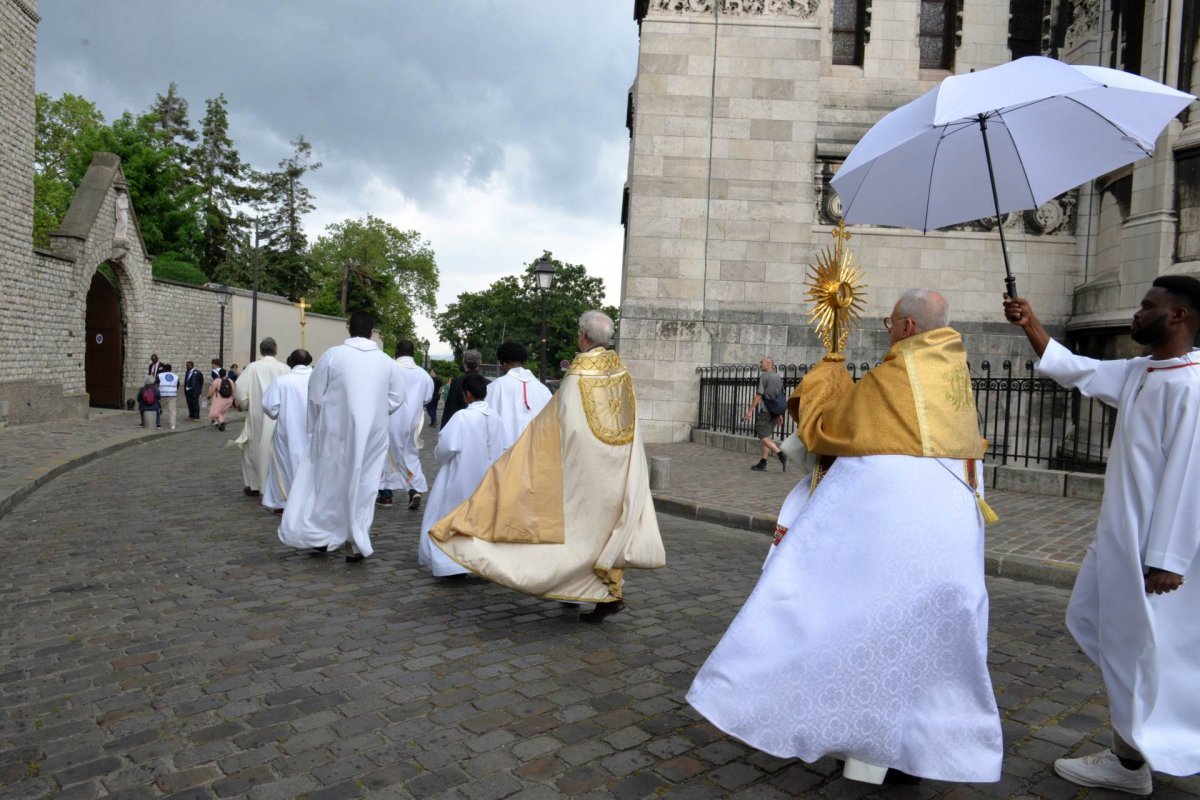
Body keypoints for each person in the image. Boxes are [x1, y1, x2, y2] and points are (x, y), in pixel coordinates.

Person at [687, 289, 1001, 785]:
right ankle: (905, 753)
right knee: (918, 645)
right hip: (948, 540)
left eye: (890, 321)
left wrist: (826, 377)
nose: (886, 328)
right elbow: (879, 441)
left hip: (893, 540)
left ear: (909, 328)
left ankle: (858, 739)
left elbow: (829, 430)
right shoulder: (952, 374)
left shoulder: (901, 372)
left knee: (851, 625)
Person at [1004, 278, 1200, 794]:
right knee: (1115, 643)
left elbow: (1189, 479)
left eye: (1147, 307)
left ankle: (1133, 762)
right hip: (1122, 543)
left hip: (1158, 561)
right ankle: (1135, 757)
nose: (1137, 314)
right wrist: (1030, 324)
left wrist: (1168, 559)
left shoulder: (1191, 387)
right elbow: (1080, 370)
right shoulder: (1143, 371)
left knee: (1154, 657)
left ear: (1178, 316)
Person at [430, 310, 666, 623]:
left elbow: (554, 427)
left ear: (583, 336)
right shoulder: (622, 377)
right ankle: (606, 594)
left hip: (582, 473)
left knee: (575, 535)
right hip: (619, 471)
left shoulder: (578, 378)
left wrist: (519, 459)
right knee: (604, 532)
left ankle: (581, 588)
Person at [279, 312, 405, 563]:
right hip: (372, 433)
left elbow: (315, 395)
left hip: (335, 431)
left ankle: (323, 535)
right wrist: (375, 413)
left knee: (329, 481)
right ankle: (355, 541)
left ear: (348, 329)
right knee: (365, 483)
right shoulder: (386, 362)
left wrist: (318, 424)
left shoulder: (332, 355)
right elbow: (397, 397)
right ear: (372, 332)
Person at [419, 373, 504, 579]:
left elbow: (446, 448)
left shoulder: (462, 417)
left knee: (452, 517)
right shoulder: (496, 417)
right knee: (482, 520)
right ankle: (480, 563)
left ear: (467, 394)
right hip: (487, 476)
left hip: (460, 474)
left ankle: (452, 564)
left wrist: (440, 455)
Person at [379, 340, 435, 510]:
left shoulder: (389, 368)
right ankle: (415, 489)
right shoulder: (423, 374)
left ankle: (386, 495)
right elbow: (428, 398)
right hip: (413, 422)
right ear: (413, 352)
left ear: (396, 351)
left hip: (390, 418)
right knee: (410, 455)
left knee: (385, 455)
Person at [233, 338, 290, 498]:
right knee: (277, 451)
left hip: (257, 413)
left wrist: (244, 404)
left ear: (261, 350)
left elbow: (240, 391)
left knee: (253, 449)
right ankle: (277, 486)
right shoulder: (284, 368)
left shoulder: (252, 368)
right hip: (280, 414)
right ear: (276, 350)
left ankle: (255, 485)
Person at [261, 349, 314, 515]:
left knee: (286, 465)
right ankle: (310, 503)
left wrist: (280, 413)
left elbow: (270, 407)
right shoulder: (318, 379)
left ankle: (285, 501)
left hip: (288, 430)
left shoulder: (282, 381)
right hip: (314, 431)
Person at [486, 342, 552, 451]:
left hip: (505, 456)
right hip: (535, 453)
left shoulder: (495, 387)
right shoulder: (543, 390)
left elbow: (487, 422)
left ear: (504, 364)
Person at [745, 356, 787, 472]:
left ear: (769, 363)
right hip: (774, 412)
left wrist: (750, 410)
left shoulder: (764, 377)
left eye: (762, 362)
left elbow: (759, 395)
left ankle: (781, 455)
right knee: (767, 436)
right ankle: (763, 462)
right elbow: (779, 397)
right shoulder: (778, 377)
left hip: (766, 412)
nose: (760, 364)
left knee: (762, 436)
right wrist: (780, 414)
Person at [440, 349, 481, 429]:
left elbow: (450, 410)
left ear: (464, 362)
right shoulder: (487, 383)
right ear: (480, 363)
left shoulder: (456, 383)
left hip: (461, 427)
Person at [157, 363, 180, 430]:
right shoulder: (176, 376)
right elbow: (177, 385)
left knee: (158, 409)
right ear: (171, 369)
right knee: (172, 411)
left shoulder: (159, 375)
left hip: (161, 395)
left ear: (163, 369)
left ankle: (157, 424)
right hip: (172, 395)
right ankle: (173, 425)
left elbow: (156, 384)